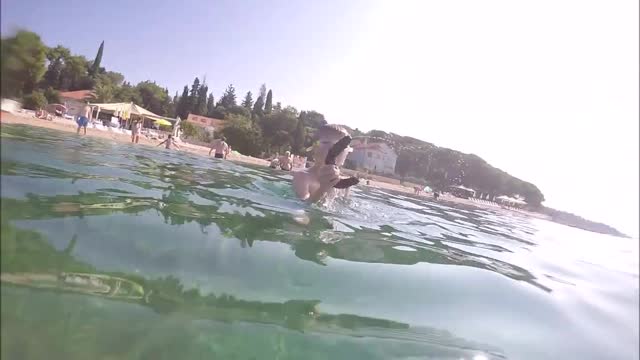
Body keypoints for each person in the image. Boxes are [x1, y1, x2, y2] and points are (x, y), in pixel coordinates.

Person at [292, 124, 352, 203]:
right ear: (315, 149)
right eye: (328, 144)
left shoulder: (344, 185)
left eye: (342, 147)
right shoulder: (302, 176)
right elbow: (303, 205)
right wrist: (323, 188)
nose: (334, 151)